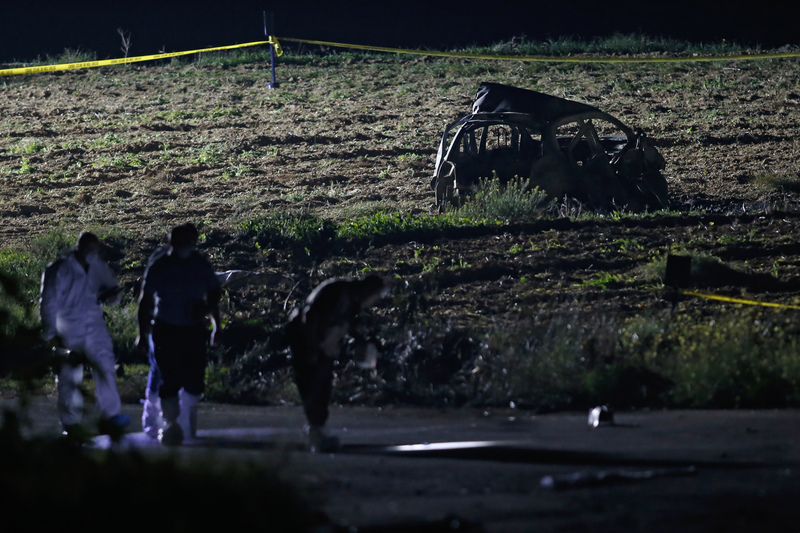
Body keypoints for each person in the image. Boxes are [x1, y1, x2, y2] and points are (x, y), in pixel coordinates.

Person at [136, 223, 221, 446]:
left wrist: (215, 325)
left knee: (194, 380)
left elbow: (214, 295)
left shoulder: (200, 265)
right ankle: (171, 425)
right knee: (168, 378)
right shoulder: (160, 266)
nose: (186, 247)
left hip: (193, 331)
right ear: (171, 243)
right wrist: (142, 335)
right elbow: (144, 302)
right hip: (166, 329)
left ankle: (185, 420)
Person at [39, 232, 130, 441]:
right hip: (68, 328)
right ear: (79, 247)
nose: (93, 253)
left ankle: (111, 416)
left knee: (106, 366)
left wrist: (112, 297)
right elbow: (48, 304)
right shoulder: (58, 269)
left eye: (95, 249)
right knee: (69, 376)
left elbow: (113, 292)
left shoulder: (99, 267)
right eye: (90, 249)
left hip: (95, 326)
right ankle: (71, 424)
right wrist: (51, 334)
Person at [285, 275, 389, 452]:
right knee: (312, 384)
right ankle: (315, 432)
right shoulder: (339, 292)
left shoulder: (352, 300)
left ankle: (317, 430)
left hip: (324, 345)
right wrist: (310, 347)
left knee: (322, 385)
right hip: (308, 341)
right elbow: (311, 315)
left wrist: (362, 341)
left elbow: (346, 325)